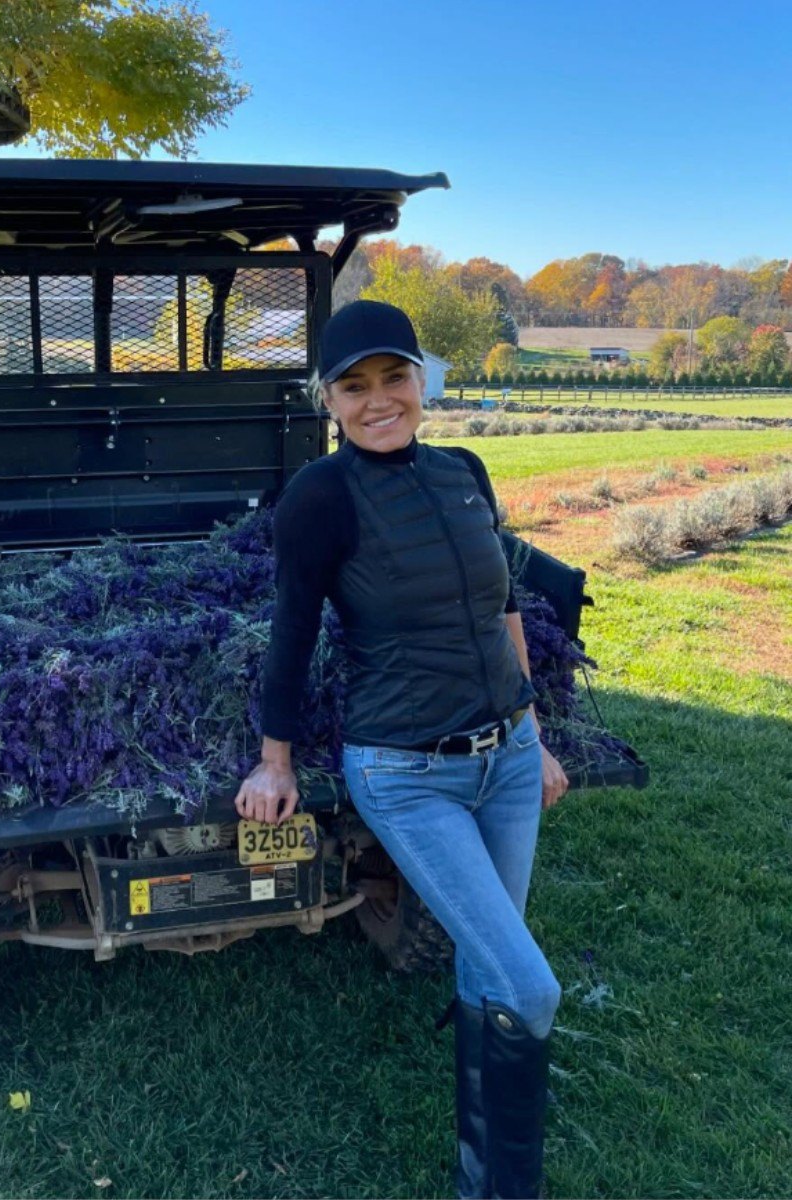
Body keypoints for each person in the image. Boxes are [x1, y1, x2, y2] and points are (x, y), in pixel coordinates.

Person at [234, 300, 570, 1199]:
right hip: (405, 773)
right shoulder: (320, 497)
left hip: (505, 760)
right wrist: (276, 761)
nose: (379, 400)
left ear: (422, 380)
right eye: (356, 386)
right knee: (531, 990)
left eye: (395, 377)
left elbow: (503, 612)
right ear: (330, 401)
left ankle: (477, 1180)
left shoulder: (466, 470)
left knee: (488, 964)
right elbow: (292, 634)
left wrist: (531, 734)